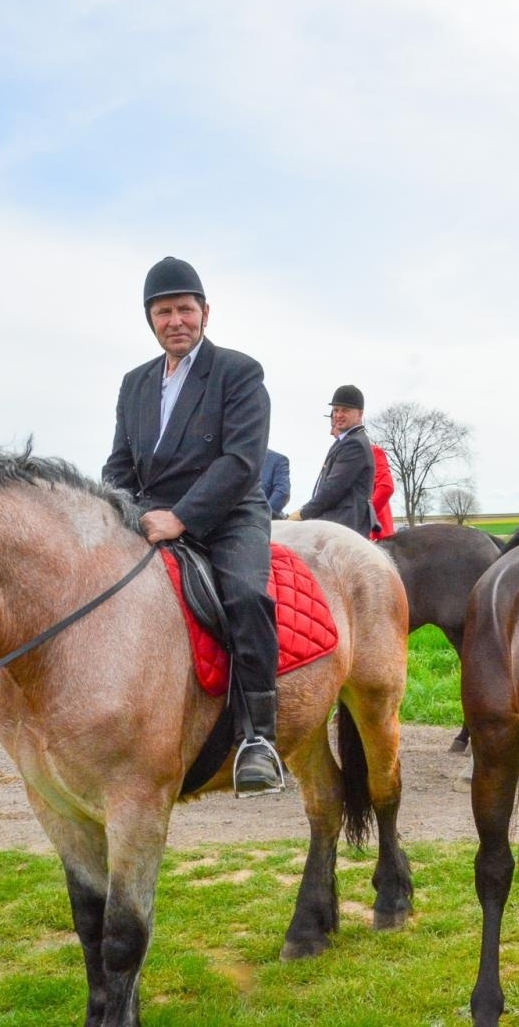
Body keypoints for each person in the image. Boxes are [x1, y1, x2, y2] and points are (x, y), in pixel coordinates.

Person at [103, 256, 284, 795]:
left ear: (205, 312)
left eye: (185, 309)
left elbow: (241, 461)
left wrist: (183, 517)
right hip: (150, 516)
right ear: (150, 319)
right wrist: (122, 512)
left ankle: (258, 738)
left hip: (226, 514)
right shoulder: (134, 383)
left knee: (247, 596)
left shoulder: (239, 371)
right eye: (164, 311)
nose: (175, 320)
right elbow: (118, 463)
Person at [289, 385, 375, 534]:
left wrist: (302, 514)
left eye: (345, 410)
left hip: (344, 523)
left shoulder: (354, 444)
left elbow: (333, 489)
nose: (338, 415)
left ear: (360, 414)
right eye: (336, 410)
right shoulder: (344, 441)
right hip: (335, 519)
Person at [370, 442, 396, 541]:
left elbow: (386, 487)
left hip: (375, 533)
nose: (332, 432)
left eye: (334, 426)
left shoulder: (372, 451)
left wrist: (367, 516)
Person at [260, 448, 291, 518]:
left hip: (265, 521)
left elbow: (282, 493)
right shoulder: (233, 457)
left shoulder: (277, 460)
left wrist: (261, 515)